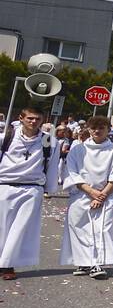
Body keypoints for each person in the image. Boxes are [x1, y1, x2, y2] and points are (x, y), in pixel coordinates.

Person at [60, 116, 113, 280]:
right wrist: (90, 191)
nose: (97, 131)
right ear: (88, 129)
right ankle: (83, 261)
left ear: (108, 130)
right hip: (81, 194)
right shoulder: (77, 149)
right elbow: (72, 173)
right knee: (78, 227)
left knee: (101, 229)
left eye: (101, 128)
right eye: (93, 128)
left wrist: (101, 195)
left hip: (106, 196)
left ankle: (97, 263)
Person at [0, 107, 59, 280]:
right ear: (21, 118)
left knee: (20, 228)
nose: (33, 122)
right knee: (2, 227)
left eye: (37, 119)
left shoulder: (49, 141)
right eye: (30, 118)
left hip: (32, 188)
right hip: (5, 185)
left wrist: (49, 189)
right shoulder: (6, 138)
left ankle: (8, 265)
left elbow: (52, 164)